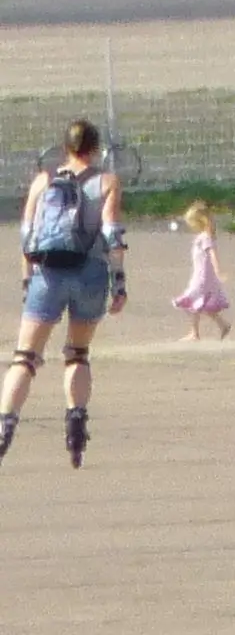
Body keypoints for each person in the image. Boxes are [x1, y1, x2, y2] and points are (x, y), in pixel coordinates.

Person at [4, 119, 127, 470]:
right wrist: (119, 283)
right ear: (95, 148)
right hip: (89, 274)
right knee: (77, 353)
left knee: (25, 357)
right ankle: (76, 424)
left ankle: (5, 425)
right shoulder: (107, 182)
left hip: (48, 273)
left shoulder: (43, 181)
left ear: (65, 147)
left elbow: (27, 235)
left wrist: (28, 278)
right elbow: (112, 234)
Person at [172, 202, 233, 341]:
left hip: (203, 277)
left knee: (190, 301)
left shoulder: (205, 237)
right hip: (202, 275)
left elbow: (212, 254)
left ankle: (195, 333)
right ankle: (223, 325)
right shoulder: (203, 236)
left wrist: (218, 272)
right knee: (202, 305)